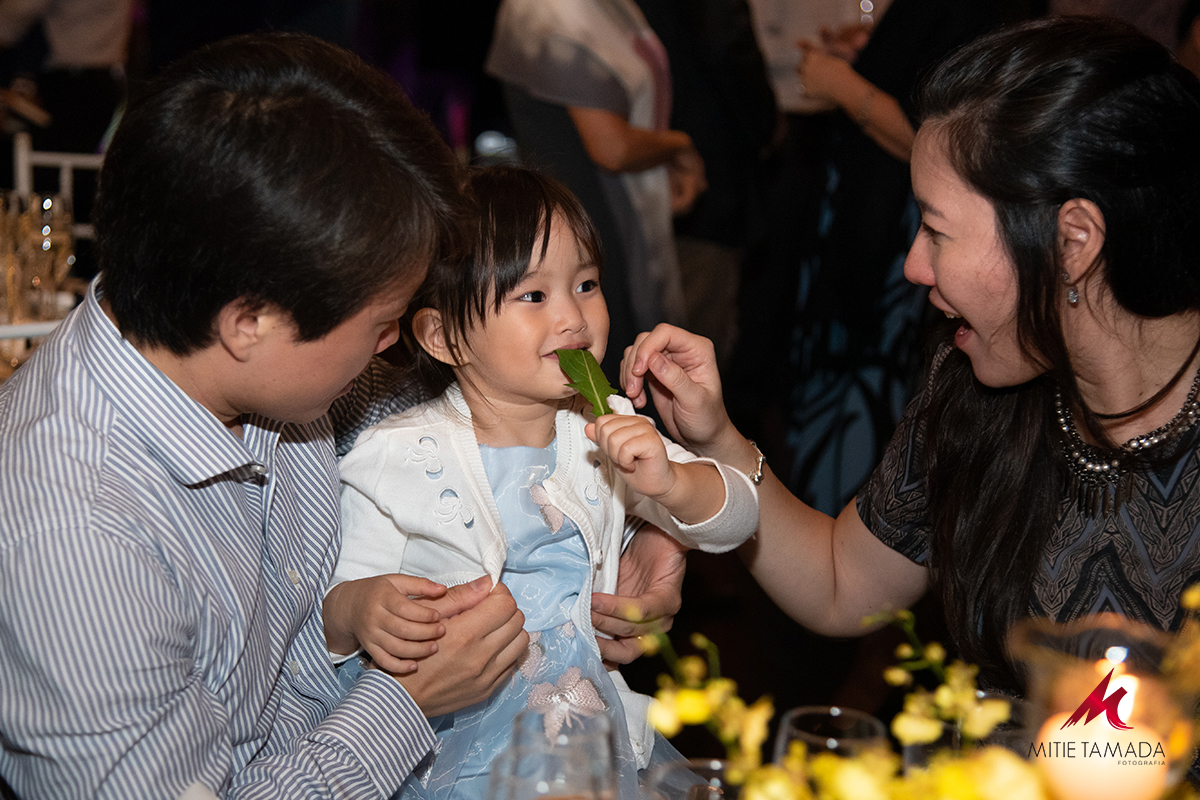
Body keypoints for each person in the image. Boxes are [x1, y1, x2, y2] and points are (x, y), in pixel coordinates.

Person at [0, 32, 531, 799]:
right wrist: (407, 702)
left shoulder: (252, 368)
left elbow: (445, 412)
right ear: (247, 323)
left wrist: (630, 509)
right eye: (382, 323)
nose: (393, 345)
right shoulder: (73, 541)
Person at [619, 14, 1200, 707]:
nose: (914, 266)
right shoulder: (974, 385)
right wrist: (716, 438)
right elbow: (842, 584)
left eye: (936, 230)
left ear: (1073, 241)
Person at [324, 166, 759, 800]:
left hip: (585, 737)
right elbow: (330, 615)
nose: (572, 316)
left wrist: (673, 484)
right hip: (452, 750)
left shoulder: (608, 430)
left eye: (586, 284)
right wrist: (361, 610)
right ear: (444, 336)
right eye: (533, 296)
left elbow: (740, 520)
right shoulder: (397, 455)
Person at [484, 0, 706, 386]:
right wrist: (680, 145)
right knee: (602, 367)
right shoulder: (548, 12)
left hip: (609, 213)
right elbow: (612, 148)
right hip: (583, 219)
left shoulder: (604, 7)